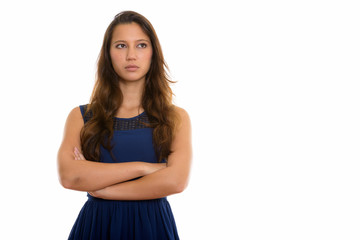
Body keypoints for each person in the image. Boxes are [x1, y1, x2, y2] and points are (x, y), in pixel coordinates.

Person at [57, 10, 192, 240]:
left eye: (141, 45)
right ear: (108, 54)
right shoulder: (81, 116)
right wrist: (144, 168)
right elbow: (70, 176)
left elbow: (175, 181)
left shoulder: (174, 118)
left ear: (153, 53)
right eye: (121, 46)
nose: (131, 55)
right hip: (97, 227)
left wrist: (103, 189)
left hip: (153, 228)